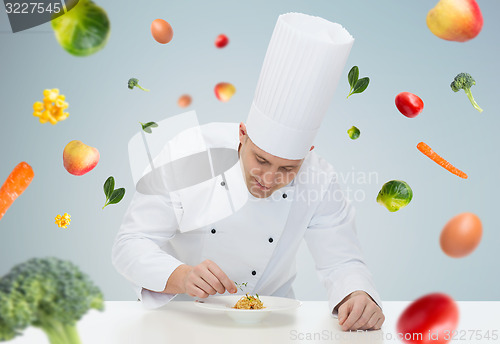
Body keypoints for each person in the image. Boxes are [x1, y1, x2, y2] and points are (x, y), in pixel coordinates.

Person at [112, 12, 385, 331]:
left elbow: (342, 260)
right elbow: (131, 243)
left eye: (287, 169)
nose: (269, 179)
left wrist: (357, 294)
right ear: (242, 134)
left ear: (307, 154)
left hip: (276, 323)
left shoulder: (319, 178)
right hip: (183, 320)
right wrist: (182, 276)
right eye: (261, 160)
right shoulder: (190, 150)